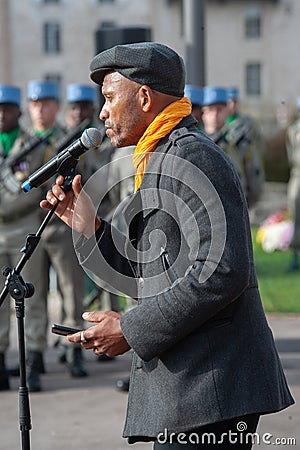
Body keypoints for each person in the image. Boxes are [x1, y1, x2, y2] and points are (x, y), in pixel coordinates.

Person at [41, 42, 294, 449]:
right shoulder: (157, 157)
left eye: (109, 97)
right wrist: (90, 227)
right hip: (194, 390)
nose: (102, 112)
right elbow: (154, 271)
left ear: (143, 97)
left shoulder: (194, 157)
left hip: (213, 391)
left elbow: (223, 272)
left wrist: (129, 327)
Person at [27, 80, 88, 386]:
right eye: (35, 104)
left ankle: (74, 350)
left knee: (71, 291)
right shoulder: (22, 142)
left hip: (62, 226)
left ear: (55, 107)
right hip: (32, 225)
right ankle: (34, 354)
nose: (40, 109)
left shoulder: (67, 139)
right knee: (33, 293)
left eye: (46, 103)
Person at [0, 85, 48, 391]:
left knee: (30, 294)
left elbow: (35, 187)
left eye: (7, 108)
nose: (2, 114)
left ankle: (31, 359)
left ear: (19, 111)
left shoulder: (31, 145)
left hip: (23, 226)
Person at [226, 86, 265, 209]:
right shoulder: (219, 125)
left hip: (245, 168)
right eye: (229, 101)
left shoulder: (248, 124)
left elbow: (259, 148)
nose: (232, 105)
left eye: (234, 101)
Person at [285, 96, 300, 271]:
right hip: (297, 174)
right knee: (295, 211)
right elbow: (291, 153)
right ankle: (295, 253)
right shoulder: (293, 130)